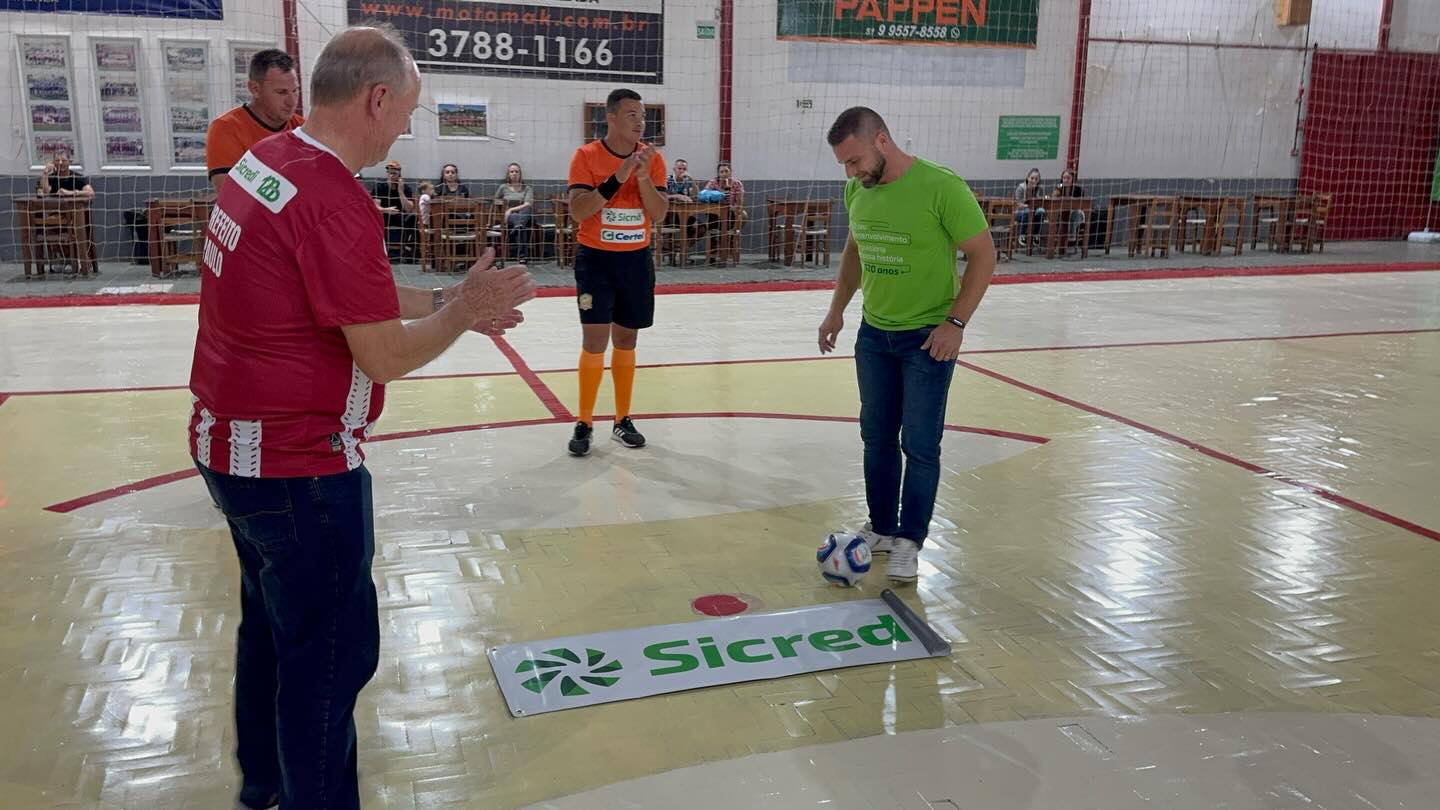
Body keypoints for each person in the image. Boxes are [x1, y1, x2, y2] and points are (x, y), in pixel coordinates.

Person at [186, 25, 535, 810]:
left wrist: (452, 300)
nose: (407, 127)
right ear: (377, 99)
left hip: (230, 451)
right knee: (328, 666)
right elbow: (381, 355)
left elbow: (345, 292)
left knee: (274, 637)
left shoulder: (268, 161)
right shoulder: (334, 196)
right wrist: (463, 314)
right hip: (300, 468)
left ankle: (263, 788)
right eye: (407, 110)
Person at [817, 107, 997, 583]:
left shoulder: (941, 187)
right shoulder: (858, 189)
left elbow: (984, 254)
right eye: (844, 166)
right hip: (874, 336)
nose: (851, 173)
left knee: (919, 444)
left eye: (854, 161)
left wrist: (956, 322)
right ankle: (881, 528)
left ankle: (909, 541)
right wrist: (837, 309)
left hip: (927, 340)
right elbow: (856, 249)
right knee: (875, 437)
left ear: (881, 141)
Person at [564, 87, 668, 456]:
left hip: (635, 262)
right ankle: (584, 421)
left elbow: (659, 214)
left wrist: (640, 179)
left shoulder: (653, 161)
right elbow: (579, 210)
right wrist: (618, 176)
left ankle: (622, 420)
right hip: (596, 261)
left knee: (627, 341)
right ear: (610, 118)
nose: (640, 121)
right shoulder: (586, 156)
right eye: (631, 115)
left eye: (642, 115)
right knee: (594, 342)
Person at [206, 49, 304, 192]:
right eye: (281, 92)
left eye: (295, 91)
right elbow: (231, 195)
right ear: (255, 89)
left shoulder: (303, 128)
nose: (292, 102)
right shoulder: (226, 128)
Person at [372, 159, 416, 259]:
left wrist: (401, 191)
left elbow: (408, 209)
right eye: (389, 173)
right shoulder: (379, 187)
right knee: (376, 218)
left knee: (413, 218)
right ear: (387, 173)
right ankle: (378, 250)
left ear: (399, 175)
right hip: (385, 215)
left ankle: (409, 248)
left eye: (394, 174)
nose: (391, 176)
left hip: (400, 216)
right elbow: (376, 207)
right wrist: (386, 210)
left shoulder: (405, 188)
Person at [493, 162, 534, 260]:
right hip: (510, 218)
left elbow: (528, 204)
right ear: (508, 174)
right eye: (512, 171)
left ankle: (518, 224)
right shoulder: (503, 187)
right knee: (520, 227)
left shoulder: (527, 188)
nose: (514, 173)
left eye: (517, 171)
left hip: (526, 216)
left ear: (520, 174)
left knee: (525, 210)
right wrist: (503, 206)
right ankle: (522, 257)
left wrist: (510, 209)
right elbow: (495, 200)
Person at [1052, 167, 1087, 249]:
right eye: (1064, 178)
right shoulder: (1059, 187)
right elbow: (1053, 198)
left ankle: (1071, 239)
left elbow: (1081, 204)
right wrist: (1057, 191)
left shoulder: (1078, 189)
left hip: (1076, 212)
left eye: (1068, 178)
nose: (1066, 180)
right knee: (1062, 215)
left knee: (1074, 214)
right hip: (1062, 212)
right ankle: (1060, 242)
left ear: (1072, 179)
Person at [1013, 167, 1046, 248]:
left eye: (1036, 179)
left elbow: (1042, 203)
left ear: (1038, 180)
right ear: (1028, 178)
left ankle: (1036, 235)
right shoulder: (1020, 188)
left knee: (1041, 211)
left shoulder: (1040, 189)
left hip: (1035, 212)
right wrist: (1028, 206)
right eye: (1032, 178)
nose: (1034, 180)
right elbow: (1018, 203)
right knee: (1028, 211)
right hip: (1021, 213)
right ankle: (1022, 235)